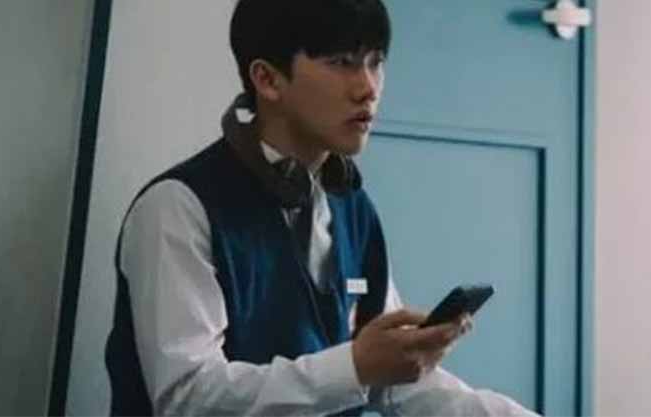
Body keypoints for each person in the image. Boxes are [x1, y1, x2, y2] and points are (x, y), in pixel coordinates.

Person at [105, 0, 539, 415]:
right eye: (341, 62)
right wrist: (355, 367)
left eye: (375, 61)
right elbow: (188, 398)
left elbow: (391, 381)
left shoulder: (353, 208)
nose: (368, 88)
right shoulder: (178, 207)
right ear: (268, 79)